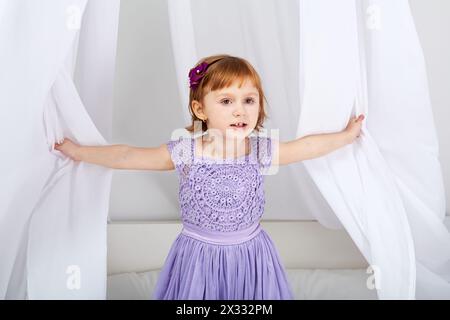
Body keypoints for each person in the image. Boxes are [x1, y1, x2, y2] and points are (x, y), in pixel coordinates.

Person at [55, 54, 364, 299]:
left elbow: (307, 147)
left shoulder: (260, 151)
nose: (240, 110)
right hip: (199, 256)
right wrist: (78, 152)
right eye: (226, 101)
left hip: (251, 255)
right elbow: (127, 155)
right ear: (200, 109)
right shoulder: (186, 153)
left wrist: (346, 136)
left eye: (249, 100)